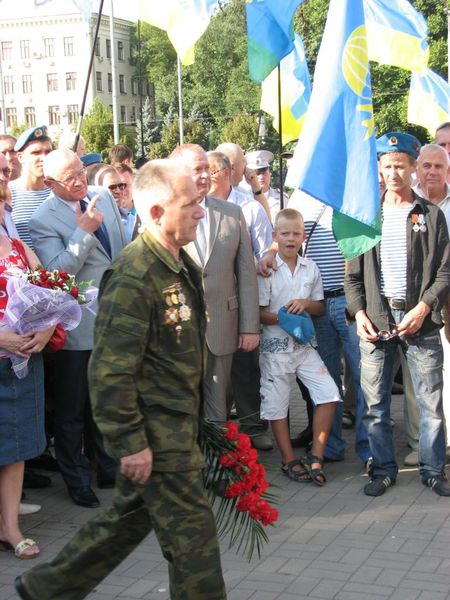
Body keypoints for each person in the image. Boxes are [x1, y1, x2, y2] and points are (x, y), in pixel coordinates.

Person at [15, 158, 226, 600]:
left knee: (126, 522)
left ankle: (46, 589)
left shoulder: (176, 264)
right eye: (190, 205)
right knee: (195, 545)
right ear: (155, 213)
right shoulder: (135, 275)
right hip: (156, 435)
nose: (201, 213)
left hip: (174, 426)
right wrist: (129, 441)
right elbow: (110, 369)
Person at [345, 131, 450, 497]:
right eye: (388, 166)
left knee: (430, 402)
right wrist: (359, 314)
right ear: (379, 168)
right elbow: (352, 277)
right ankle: (383, 469)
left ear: (413, 169)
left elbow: (444, 272)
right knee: (375, 405)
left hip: (419, 322)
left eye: (401, 166)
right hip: (376, 319)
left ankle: (433, 469)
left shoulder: (431, 215)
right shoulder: (364, 218)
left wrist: (424, 308)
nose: (394, 173)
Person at [28, 149, 127, 508]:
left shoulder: (101, 199)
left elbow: (119, 254)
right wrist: (83, 233)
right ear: (50, 183)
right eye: (69, 177)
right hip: (76, 326)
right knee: (72, 410)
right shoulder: (43, 219)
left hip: (113, 321)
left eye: (80, 171)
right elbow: (55, 276)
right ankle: (76, 477)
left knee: (105, 400)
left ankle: (106, 465)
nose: (79, 180)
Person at [171, 144, 260, 434]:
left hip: (223, 324)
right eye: (196, 169)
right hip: (178, 330)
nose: (205, 175)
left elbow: (246, 273)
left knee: (218, 405)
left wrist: (249, 327)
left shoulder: (232, 213)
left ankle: (217, 470)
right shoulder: (163, 214)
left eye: (206, 169)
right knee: (182, 403)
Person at [258, 209, 340, 485]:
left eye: (296, 234)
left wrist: (304, 305)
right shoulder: (267, 269)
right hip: (275, 348)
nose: (290, 239)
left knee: (329, 393)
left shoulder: (311, 267)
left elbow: (319, 307)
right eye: (285, 233)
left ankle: (316, 455)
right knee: (277, 406)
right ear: (275, 236)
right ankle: (288, 459)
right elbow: (258, 312)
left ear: (304, 236)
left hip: (304, 347)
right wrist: (284, 317)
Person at [0, 174, 55, 559]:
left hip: (20, 363)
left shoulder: (18, 247)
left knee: (16, 449)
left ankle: (9, 526)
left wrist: (48, 327)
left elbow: (53, 291)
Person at [414, 143, 450, 458]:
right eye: (427, 165)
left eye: (439, 166)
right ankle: (420, 446)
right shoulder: (406, 204)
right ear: (417, 169)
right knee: (419, 386)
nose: (432, 171)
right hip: (418, 305)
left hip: (448, 297)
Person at [9, 125, 53, 249]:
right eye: (36, 152)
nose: (43, 158)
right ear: (20, 157)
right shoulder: (8, 194)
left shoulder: (59, 191)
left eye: (48, 152)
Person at [245, 149, 289, 223]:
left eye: (264, 173)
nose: (262, 177)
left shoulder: (282, 198)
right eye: (257, 173)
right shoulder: (244, 198)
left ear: (269, 173)